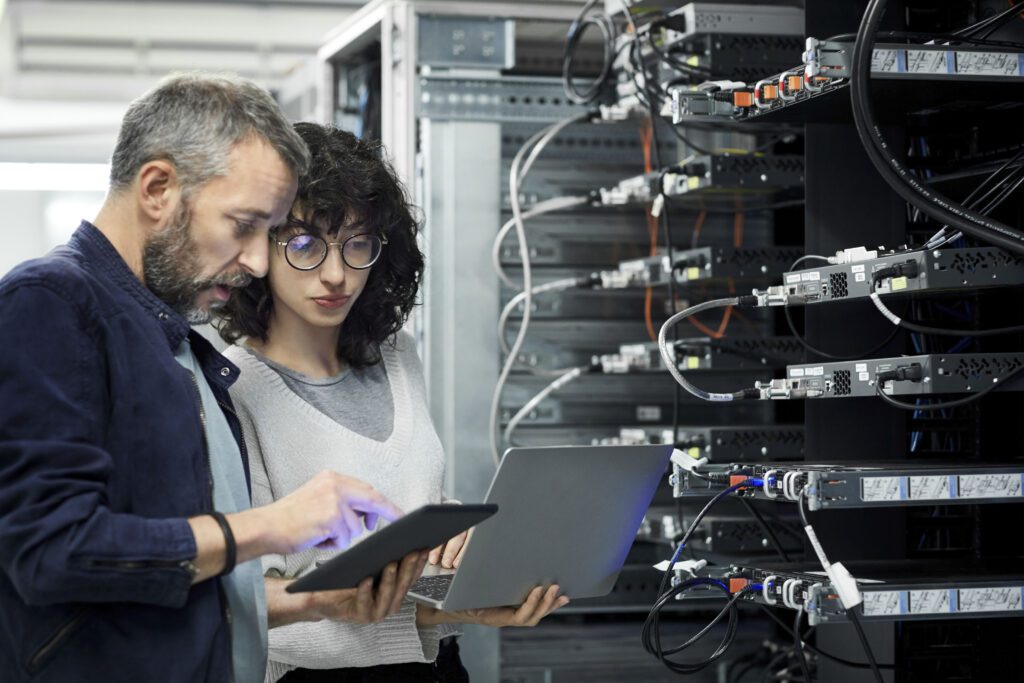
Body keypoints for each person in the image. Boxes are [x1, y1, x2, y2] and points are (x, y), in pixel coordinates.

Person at [0, 73, 424, 683]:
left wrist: (316, 601)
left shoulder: (169, 335)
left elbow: (172, 581)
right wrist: (272, 525)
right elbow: (49, 552)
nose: (256, 261)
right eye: (244, 225)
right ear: (157, 188)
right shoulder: (50, 301)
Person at [215, 122, 569, 682]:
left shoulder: (397, 356)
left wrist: (457, 546)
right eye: (305, 244)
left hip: (438, 668)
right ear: (259, 246)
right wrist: (435, 613)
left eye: (357, 243)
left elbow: (414, 501)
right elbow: (251, 605)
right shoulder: (234, 387)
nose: (337, 274)